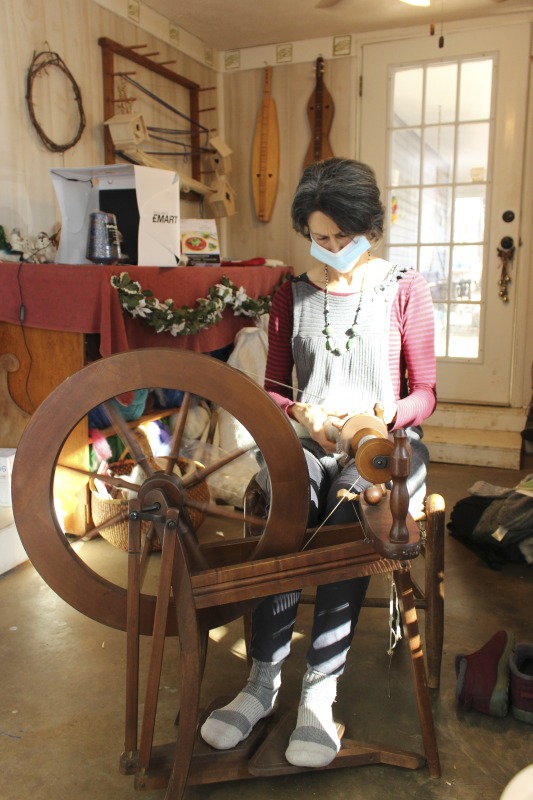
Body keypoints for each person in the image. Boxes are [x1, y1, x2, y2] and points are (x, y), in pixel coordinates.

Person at [201, 157, 437, 768]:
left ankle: (319, 692)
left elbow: (428, 394)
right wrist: (302, 416)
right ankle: (262, 681)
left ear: (372, 228)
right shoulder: (292, 294)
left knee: (351, 512)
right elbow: (276, 387)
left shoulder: (403, 289)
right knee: (285, 502)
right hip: (311, 438)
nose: (332, 248)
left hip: (384, 445)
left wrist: (391, 414)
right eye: (320, 237)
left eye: (344, 237)